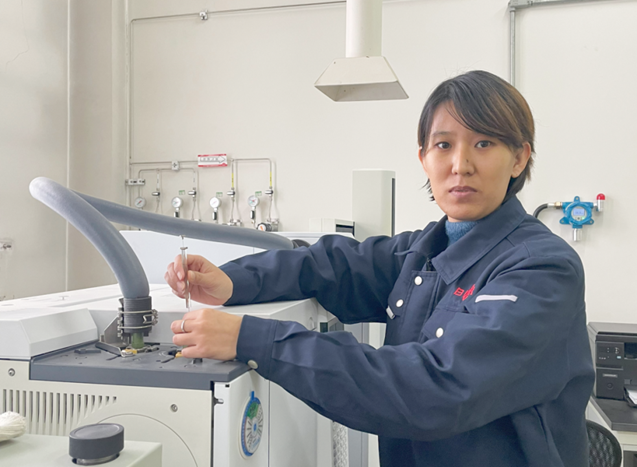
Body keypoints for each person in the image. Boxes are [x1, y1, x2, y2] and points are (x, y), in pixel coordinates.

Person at [164, 70, 594, 467]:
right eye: (444, 145)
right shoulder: (425, 251)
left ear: (519, 158)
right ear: (423, 158)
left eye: (483, 144)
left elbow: (436, 389)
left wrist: (254, 340)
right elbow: (333, 264)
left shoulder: (542, 268)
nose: (460, 164)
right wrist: (233, 281)